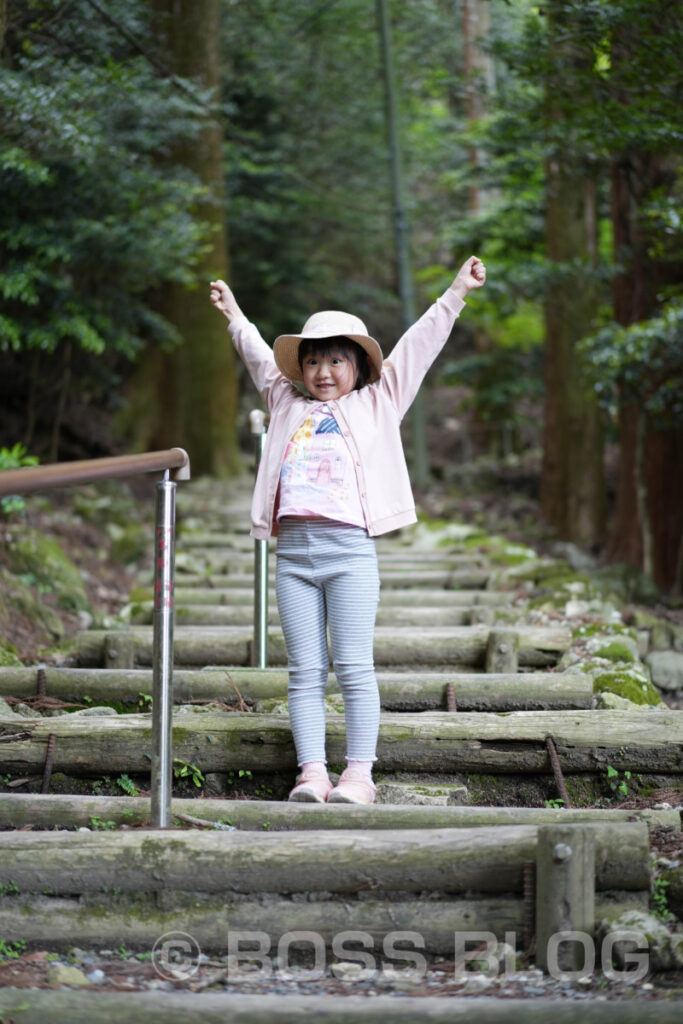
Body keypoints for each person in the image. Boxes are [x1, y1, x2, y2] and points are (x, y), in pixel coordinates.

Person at [209, 256, 486, 804]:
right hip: (294, 560)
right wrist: (235, 316)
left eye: (337, 360)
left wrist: (456, 292)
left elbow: (417, 346)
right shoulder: (285, 400)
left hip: (350, 556)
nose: (323, 372)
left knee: (354, 667)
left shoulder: (378, 403)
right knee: (304, 671)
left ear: (358, 366)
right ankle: (311, 773)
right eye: (313, 361)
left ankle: (359, 776)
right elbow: (259, 358)